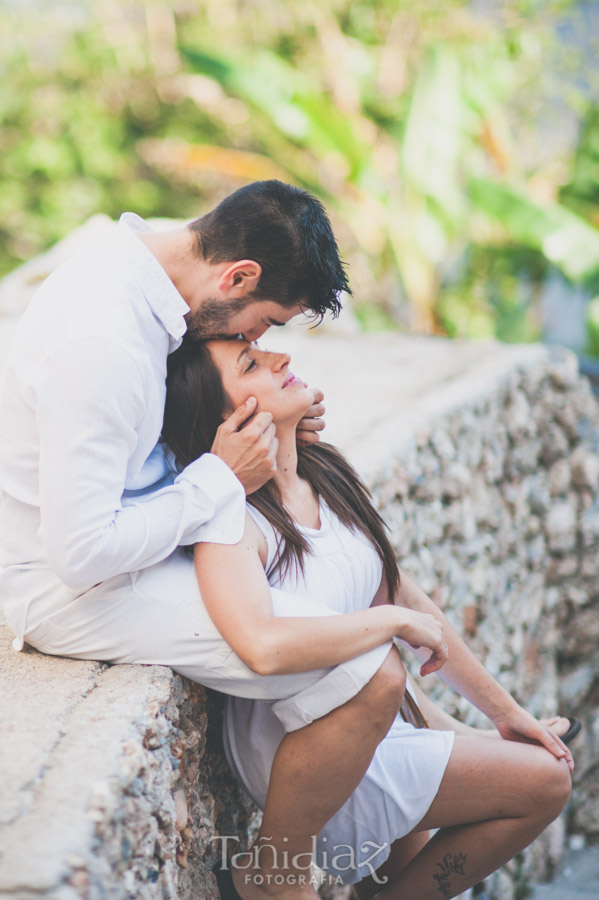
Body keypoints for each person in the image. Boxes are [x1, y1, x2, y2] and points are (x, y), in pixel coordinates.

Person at [0, 181, 413, 900]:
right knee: (369, 673)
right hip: (63, 584)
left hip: (139, 532)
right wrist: (221, 476)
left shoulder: (162, 259)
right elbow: (83, 553)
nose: (255, 342)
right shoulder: (104, 339)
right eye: (262, 325)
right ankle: (278, 881)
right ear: (237, 277)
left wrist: (276, 426)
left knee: (342, 622)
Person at [162, 335, 574, 900]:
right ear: (227, 416)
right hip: (307, 752)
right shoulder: (232, 523)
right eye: (251, 364)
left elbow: (406, 597)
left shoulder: (324, 476)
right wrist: (391, 627)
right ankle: (272, 875)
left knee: (404, 867)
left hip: (384, 725)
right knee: (546, 783)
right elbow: (262, 644)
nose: (281, 357)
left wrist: (506, 715)